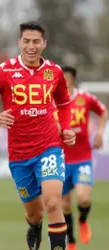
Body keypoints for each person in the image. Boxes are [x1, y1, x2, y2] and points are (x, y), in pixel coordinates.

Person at [0, 21, 76, 250]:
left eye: (36, 42)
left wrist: (66, 127)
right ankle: (34, 226)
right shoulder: (4, 71)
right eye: (27, 41)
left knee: (52, 202)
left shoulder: (55, 71)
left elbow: (64, 103)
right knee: (34, 212)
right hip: (20, 155)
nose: (31, 46)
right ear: (20, 43)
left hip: (50, 146)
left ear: (44, 44)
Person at [56, 66, 107, 250]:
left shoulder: (85, 98)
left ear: (72, 80)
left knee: (83, 198)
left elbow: (103, 112)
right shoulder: (51, 100)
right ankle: (70, 240)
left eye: (66, 78)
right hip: (59, 160)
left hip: (82, 158)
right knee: (64, 204)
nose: (63, 82)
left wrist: (100, 133)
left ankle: (83, 220)